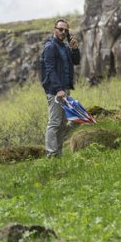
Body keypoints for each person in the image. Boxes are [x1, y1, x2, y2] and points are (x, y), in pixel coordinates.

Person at [41, 19, 81, 157]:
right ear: (54, 30)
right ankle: (51, 154)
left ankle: (58, 153)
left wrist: (74, 49)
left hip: (65, 89)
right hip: (55, 91)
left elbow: (76, 61)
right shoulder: (50, 47)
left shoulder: (64, 47)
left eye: (66, 30)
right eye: (61, 29)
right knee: (55, 122)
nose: (63, 32)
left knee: (63, 123)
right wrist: (58, 89)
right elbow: (50, 70)